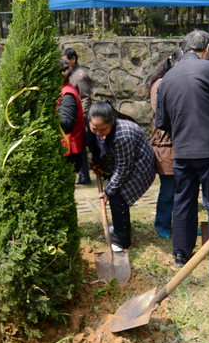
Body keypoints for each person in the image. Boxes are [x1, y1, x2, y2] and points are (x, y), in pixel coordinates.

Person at [155, 29, 209, 284]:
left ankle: (181, 254)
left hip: (182, 150)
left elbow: (161, 121)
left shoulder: (167, 78)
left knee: (183, 201)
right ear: (208, 48)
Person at [87, 101, 155, 252]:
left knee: (119, 197)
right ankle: (119, 225)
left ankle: (122, 240)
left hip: (139, 167)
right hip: (123, 164)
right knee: (116, 197)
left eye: (102, 129)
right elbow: (98, 146)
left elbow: (123, 168)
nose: (98, 133)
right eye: (94, 129)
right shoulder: (96, 128)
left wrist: (108, 191)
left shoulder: (124, 134)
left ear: (112, 121)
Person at [149, 49, 183, 239]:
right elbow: (160, 113)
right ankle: (162, 224)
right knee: (168, 189)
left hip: (180, 143)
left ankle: (181, 225)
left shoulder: (174, 82)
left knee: (183, 190)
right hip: (166, 145)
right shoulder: (159, 85)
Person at [63, 47, 92, 184]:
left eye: (66, 61)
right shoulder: (72, 74)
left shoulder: (80, 75)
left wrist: (84, 117)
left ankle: (84, 175)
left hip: (79, 117)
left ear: (73, 59)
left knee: (80, 147)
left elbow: (86, 98)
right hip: (73, 116)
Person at [58, 60, 86, 172]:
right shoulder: (62, 89)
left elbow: (66, 123)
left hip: (68, 149)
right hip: (66, 148)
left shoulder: (67, 93)